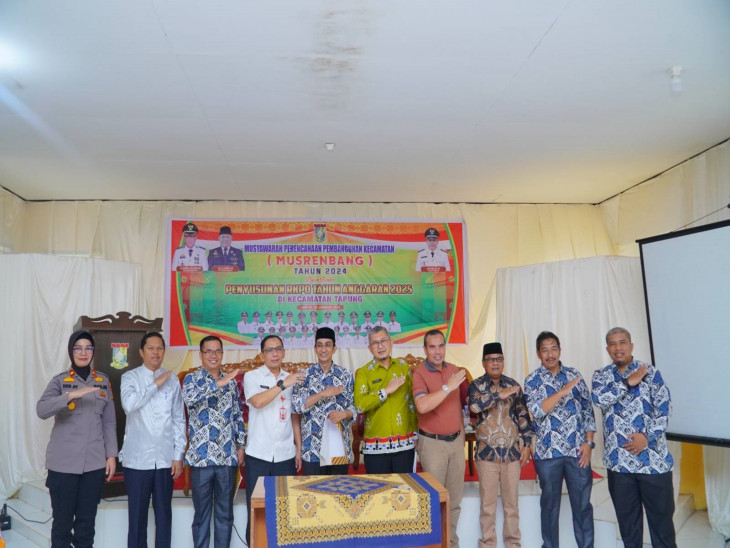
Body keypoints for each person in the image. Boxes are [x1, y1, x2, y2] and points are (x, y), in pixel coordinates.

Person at [592, 327, 676, 548]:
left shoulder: (650, 373)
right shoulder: (601, 376)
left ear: (631, 345)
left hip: (653, 464)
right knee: (629, 530)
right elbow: (599, 400)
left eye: (622, 342)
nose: (618, 348)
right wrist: (627, 382)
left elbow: (664, 409)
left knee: (663, 530)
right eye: (612, 344)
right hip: (620, 467)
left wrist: (646, 437)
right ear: (607, 349)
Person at [36, 330, 118, 548]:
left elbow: (109, 422)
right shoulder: (60, 381)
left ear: (93, 352)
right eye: (78, 348)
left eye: (88, 348)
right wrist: (70, 396)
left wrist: (111, 455)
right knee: (62, 525)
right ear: (71, 351)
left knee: (86, 525)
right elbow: (41, 409)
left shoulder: (103, 381)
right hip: (63, 465)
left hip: (93, 464)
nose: (83, 353)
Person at [523, 331, 596, 548]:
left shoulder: (574, 375)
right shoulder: (532, 380)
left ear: (560, 350)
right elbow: (537, 411)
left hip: (577, 452)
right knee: (550, 507)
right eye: (545, 350)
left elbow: (588, 411)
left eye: (553, 348)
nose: (550, 354)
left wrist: (589, 443)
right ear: (538, 353)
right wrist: (562, 392)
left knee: (582, 506)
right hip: (548, 453)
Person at [119, 332, 186, 548]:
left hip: (165, 460)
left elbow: (178, 418)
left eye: (160, 348)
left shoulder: (172, 379)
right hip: (137, 460)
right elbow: (129, 405)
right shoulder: (130, 377)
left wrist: (178, 455)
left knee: (164, 516)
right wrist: (155, 384)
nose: (156, 352)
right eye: (151, 348)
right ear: (141, 352)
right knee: (137, 518)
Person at [182, 336, 246, 548]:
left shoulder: (231, 383)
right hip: (201, 458)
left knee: (224, 515)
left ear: (222, 354)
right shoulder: (192, 379)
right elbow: (190, 399)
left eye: (217, 351)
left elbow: (237, 415)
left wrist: (241, 446)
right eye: (208, 351)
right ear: (201, 355)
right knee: (201, 516)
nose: (213, 355)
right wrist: (219, 383)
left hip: (226, 457)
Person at [468, 342, 533, 548]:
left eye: (499, 359)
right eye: (490, 359)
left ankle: (512, 544)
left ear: (503, 361)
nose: (495, 363)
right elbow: (474, 406)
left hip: (512, 454)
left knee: (511, 506)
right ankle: (488, 544)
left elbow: (522, 415)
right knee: (487, 506)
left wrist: (527, 444)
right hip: (486, 455)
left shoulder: (514, 385)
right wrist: (498, 395)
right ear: (483, 363)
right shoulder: (476, 386)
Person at [244, 335, 304, 545]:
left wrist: (298, 448)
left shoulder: (291, 378)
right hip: (258, 454)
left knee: (285, 512)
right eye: (269, 350)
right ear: (262, 355)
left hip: (285, 455)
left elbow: (294, 416)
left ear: (284, 352)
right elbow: (258, 402)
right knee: (257, 511)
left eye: (278, 349)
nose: (275, 353)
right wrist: (282, 385)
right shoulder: (252, 376)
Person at [412, 330, 468, 547]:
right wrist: (447, 387)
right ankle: (434, 544)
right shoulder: (419, 374)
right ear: (425, 349)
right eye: (432, 347)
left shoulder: (454, 371)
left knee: (454, 502)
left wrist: (461, 438)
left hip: (455, 443)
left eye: (441, 346)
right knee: (434, 500)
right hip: (433, 444)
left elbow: (458, 408)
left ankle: (451, 543)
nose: (437, 351)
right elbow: (422, 405)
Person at [354, 326, 418, 473]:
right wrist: (385, 391)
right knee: (379, 488)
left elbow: (411, 404)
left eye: (383, 341)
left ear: (391, 343)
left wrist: (416, 434)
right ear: (369, 348)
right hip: (375, 448)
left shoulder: (403, 368)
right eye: (375, 343)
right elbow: (360, 405)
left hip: (405, 444)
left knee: (404, 486)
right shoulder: (364, 373)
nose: (380, 346)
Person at [293, 327, 355, 475]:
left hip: (338, 449)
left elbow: (355, 407)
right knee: (313, 489)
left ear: (334, 348)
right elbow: (296, 406)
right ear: (315, 348)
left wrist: (344, 414)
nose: (323, 349)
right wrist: (322, 394)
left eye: (328, 345)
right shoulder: (304, 376)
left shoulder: (345, 375)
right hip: (312, 449)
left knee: (338, 489)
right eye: (319, 345)